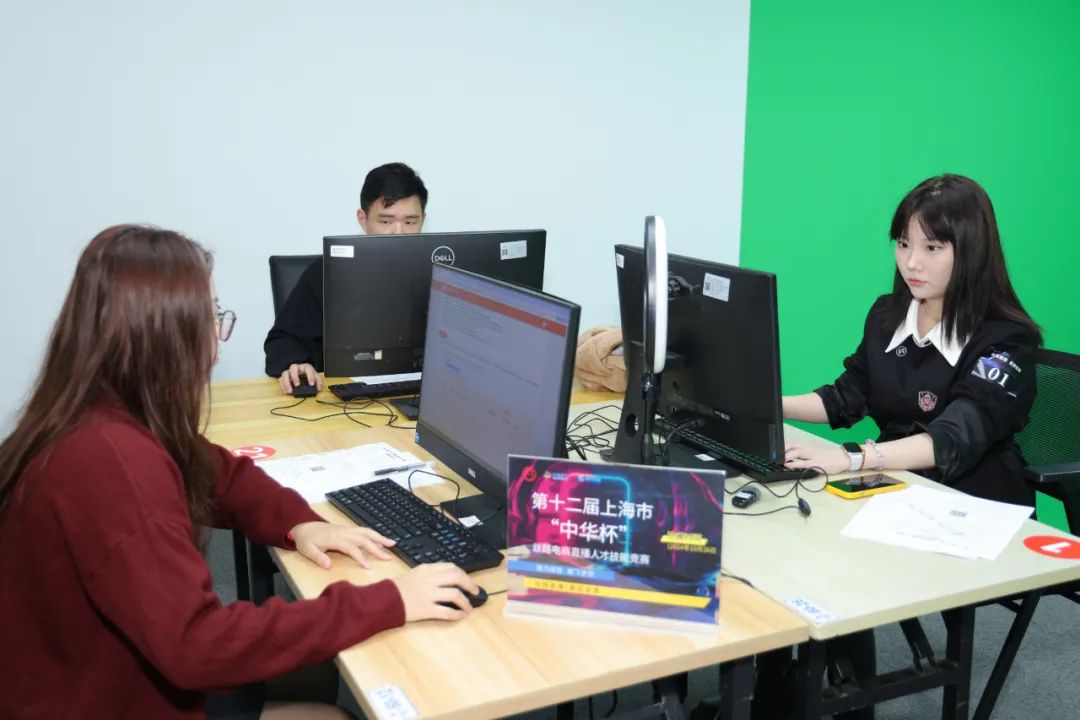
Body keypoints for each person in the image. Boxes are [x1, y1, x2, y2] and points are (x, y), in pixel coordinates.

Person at [0, 225, 477, 720]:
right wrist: (389, 601)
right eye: (210, 316)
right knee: (334, 713)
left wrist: (299, 522)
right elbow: (197, 645)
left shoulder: (101, 412)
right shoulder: (113, 465)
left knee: (318, 669)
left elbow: (221, 474)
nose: (218, 342)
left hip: (113, 666)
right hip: (98, 697)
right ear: (162, 333)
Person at [756, 174, 1042, 720]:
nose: (912, 262)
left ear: (971, 251)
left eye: (932, 248)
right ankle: (782, 693)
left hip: (972, 500)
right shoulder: (888, 314)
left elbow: (953, 438)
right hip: (897, 486)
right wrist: (762, 401)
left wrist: (853, 458)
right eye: (904, 243)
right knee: (787, 528)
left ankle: (842, 701)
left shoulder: (1006, 340)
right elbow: (845, 397)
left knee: (830, 554)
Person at [264, 162, 428, 395]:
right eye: (385, 221)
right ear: (363, 219)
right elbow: (282, 341)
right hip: (344, 398)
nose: (399, 233)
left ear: (423, 219)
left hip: (423, 396)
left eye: (410, 222)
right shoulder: (327, 273)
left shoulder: (443, 275)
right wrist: (297, 364)